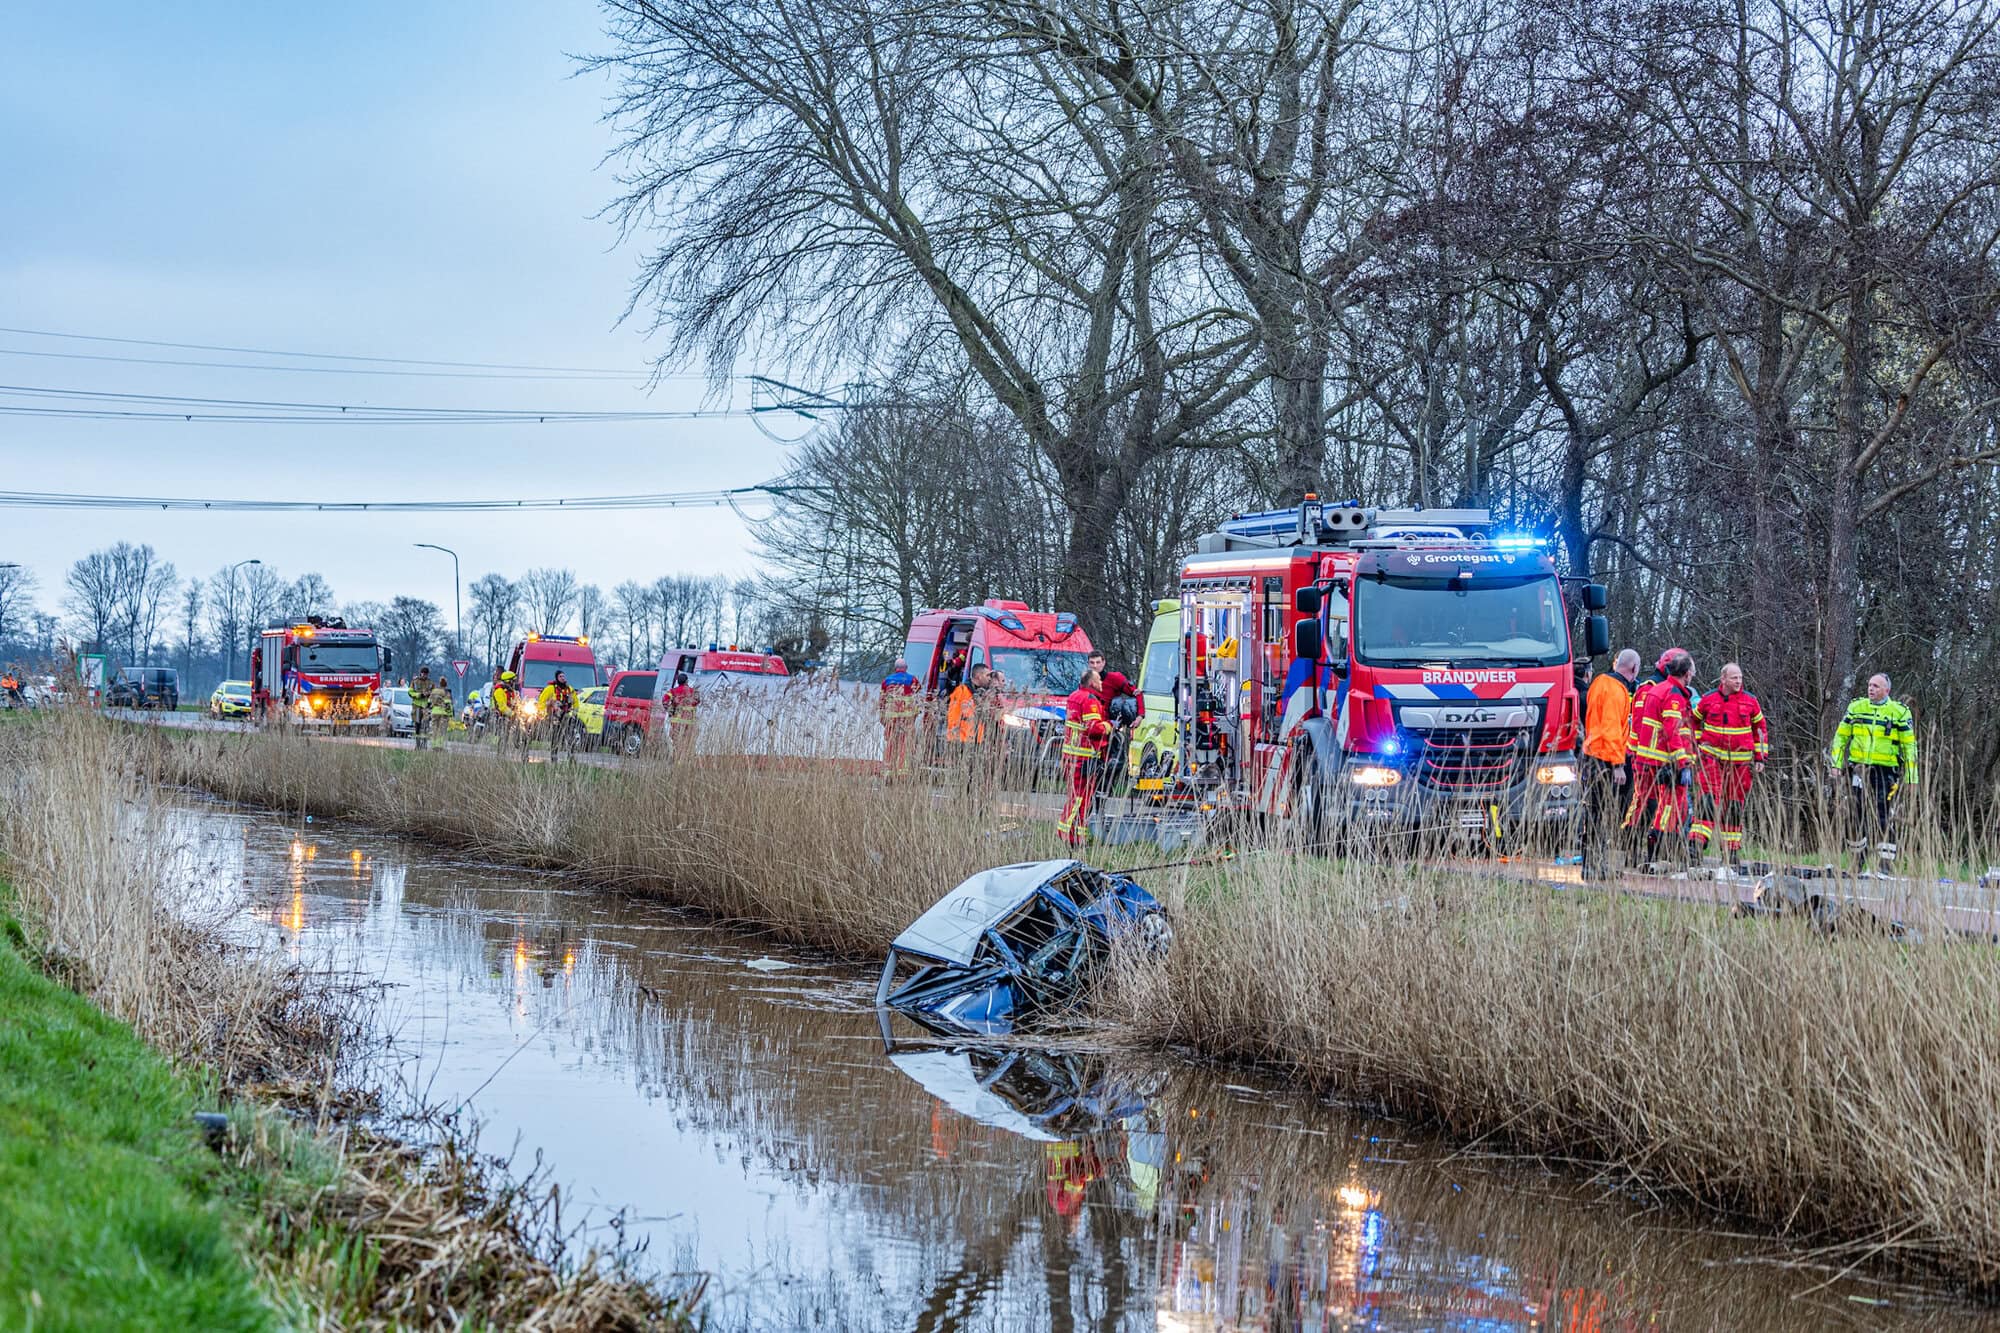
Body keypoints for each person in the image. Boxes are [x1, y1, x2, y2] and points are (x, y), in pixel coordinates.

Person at [1830, 672, 1918, 870]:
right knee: (1855, 814)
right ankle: (1857, 860)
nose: (1871, 688)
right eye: (1870, 685)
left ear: (1887, 690)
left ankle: (1884, 863)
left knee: (1882, 814)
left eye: (1876, 686)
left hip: (1886, 772)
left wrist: (1913, 778)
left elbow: (1910, 747)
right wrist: (1836, 764)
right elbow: (1840, 737)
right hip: (1859, 769)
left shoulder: (1899, 712)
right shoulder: (1856, 707)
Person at [1688, 662, 1769, 866]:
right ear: (1723, 679)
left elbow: (1760, 729)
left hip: (1739, 765)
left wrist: (1760, 757)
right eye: (1734, 678)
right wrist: (1696, 745)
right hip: (1711, 761)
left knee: (1733, 806)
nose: (1738, 681)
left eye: (1740, 677)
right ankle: (1696, 846)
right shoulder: (1708, 699)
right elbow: (1692, 721)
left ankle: (1731, 852)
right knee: (1707, 801)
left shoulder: (1750, 701)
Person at [1623, 647, 1697, 863]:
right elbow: (1671, 730)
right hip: (1661, 760)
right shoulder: (1666, 692)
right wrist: (1682, 762)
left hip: (1648, 758)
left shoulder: (1658, 690)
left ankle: (1637, 848)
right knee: (1662, 805)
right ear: (1686, 673)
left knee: (1645, 803)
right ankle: (1650, 849)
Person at [1580, 648, 1640, 882]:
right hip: (1606, 759)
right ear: (1633, 668)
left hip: (1592, 755)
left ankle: (1593, 864)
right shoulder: (1616, 690)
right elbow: (1612, 728)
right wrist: (1618, 764)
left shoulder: (1599, 683)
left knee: (1594, 813)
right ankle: (1595, 866)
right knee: (1603, 814)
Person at [1057, 667, 1112, 847]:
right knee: (1080, 799)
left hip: (1072, 756)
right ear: (1092, 683)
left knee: (1079, 799)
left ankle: (1078, 837)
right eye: (1099, 680)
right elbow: (1093, 728)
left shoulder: (1074, 696)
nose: (1101, 683)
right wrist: (1109, 726)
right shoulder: (1089, 700)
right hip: (1083, 758)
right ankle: (1067, 836)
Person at [879, 656, 922, 777]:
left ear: (895, 668)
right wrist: (915, 714)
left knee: (891, 743)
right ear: (906, 668)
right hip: (906, 717)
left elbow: (881, 701)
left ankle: (888, 771)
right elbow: (918, 697)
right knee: (905, 744)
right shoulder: (912, 680)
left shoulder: (886, 681)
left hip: (891, 717)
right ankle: (903, 772)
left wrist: (882, 717)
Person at [410, 666, 435, 747]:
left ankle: (424, 743)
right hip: (417, 706)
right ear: (420, 673)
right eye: (423, 674)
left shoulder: (430, 683)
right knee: (417, 724)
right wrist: (419, 695)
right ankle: (417, 744)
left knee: (426, 723)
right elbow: (410, 692)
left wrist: (429, 695)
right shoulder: (415, 681)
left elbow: (434, 692)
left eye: (426, 674)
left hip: (426, 706)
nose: (424, 675)